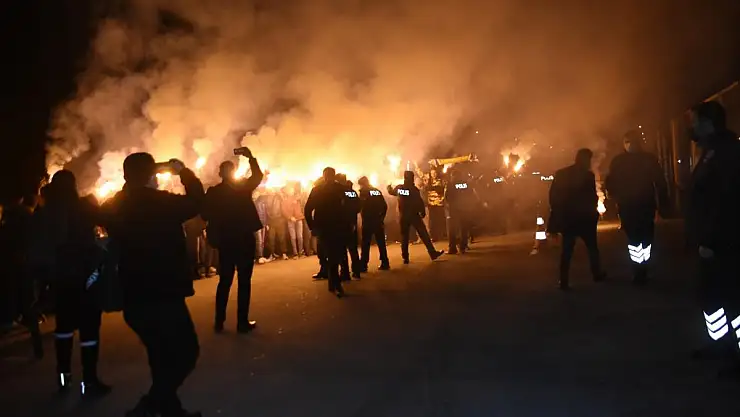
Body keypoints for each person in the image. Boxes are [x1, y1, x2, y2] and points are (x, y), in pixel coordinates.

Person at [101, 154, 203, 417]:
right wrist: (184, 173)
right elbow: (197, 201)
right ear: (149, 176)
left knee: (160, 355)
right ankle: (149, 406)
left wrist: (141, 178)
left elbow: (109, 214)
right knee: (186, 352)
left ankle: (169, 410)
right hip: (163, 292)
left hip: (133, 293)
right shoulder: (161, 203)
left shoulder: (117, 204)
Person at [29, 171, 110, 395]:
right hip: (86, 278)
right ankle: (89, 382)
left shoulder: (44, 212)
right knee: (89, 330)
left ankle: (64, 380)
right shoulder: (82, 207)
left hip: (58, 280)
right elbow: (106, 221)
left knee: (63, 329)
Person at [686, 101, 740, 375]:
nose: (692, 127)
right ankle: (721, 344)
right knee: (712, 297)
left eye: (695, 121)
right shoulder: (710, 150)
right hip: (710, 241)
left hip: (725, 242)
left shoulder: (727, 153)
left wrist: (711, 239)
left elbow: (725, 203)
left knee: (733, 299)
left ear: (707, 123)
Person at [202, 149, 264, 333]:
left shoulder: (214, 192)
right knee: (244, 282)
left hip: (226, 241)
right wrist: (251, 157)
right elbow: (258, 176)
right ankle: (242, 322)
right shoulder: (242, 188)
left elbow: (204, 214)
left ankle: (219, 322)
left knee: (225, 281)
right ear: (233, 172)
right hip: (244, 239)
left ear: (220, 174)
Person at [606, 130, 668, 285]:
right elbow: (611, 182)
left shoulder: (646, 159)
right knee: (635, 238)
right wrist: (614, 198)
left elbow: (659, 181)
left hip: (643, 205)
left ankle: (642, 269)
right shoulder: (620, 161)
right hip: (629, 206)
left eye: (632, 141)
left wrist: (663, 203)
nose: (630, 144)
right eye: (627, 141)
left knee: (645, 237)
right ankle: (639, 270)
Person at [548, 148, 606, 290]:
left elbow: (553, 197)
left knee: (567, 250)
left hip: (569, 218)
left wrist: (557, 216)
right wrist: (593, 213)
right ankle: (596, 273)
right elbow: (591, 197)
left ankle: (564, 280)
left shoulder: (562, 174)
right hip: (585, 219)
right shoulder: (587, 176)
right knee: (592, 248)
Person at [305, 168, 348, 297]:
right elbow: (351, 207)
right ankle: (336, 283)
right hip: (335, 227)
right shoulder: (341, 189)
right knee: (334, 255)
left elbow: (308, 209)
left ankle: (332, 282)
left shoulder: (317, 190)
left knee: (331, 255)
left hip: (325, 227)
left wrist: (312, 226)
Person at [387, 171, 444, 264]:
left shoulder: (399, 188)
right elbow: (419, 201)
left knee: (404, 237)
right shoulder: (414, 189)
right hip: (414, 215)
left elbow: (391, 192)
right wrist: (422, 211)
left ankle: (405, 258)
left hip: (403, 216)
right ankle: (432, 253)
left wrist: (388, 186)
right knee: (424, 234)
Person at [358, 176, 390, 271]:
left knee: (365, 243)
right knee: (381, 242)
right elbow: (384, 206)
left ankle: (363, 264)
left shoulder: (364, 192)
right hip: (377, 220)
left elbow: (360, 206)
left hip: (368, 221)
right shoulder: (376, 191)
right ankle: (385, 262)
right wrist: (381, 217)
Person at [445, 169, 478, 254]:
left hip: (454, 210)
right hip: (465, 209)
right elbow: (471, 194)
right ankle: (463, 247)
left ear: (453, 176)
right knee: (464, 229)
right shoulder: (466, 184)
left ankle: (452, 248)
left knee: (452, 229)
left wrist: (448, 208)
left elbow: (447, 197)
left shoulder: (450, 184)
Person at [336, 174, 362, 280]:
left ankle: (345, 273)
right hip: (352, 223)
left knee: (342, 249)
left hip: (342, 224)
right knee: (353, 249)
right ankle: (356, 271)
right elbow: (359, 207)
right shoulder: (353, 192)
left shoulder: (339, 192)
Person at [282, 185, 306, 258]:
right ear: (287, 191)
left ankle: (301, 252)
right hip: (291, 220)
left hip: (299, 218)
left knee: (300, 236)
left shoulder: (297, 198)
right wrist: (290, 217)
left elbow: (302, 199)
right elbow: (284, 211)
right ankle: (295, 253)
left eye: (292, 190)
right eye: (290, 190)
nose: (292, 191)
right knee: (293, 237)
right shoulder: (285, 200)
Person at [423, 168, 447, 241]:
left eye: (435, 173)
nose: (434, 175)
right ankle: (433, 236)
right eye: (432, 173)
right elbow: (426, 188)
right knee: (432, 221)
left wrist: (432, 188)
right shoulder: (428, 181)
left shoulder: (441, 181)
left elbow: (441, 188)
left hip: (439, 203)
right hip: (431, 204)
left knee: (440, 219)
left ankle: (442, 235)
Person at [266, 189, 288, 260]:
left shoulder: (279, 197)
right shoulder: (267, 199)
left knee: (282, 238)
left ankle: (284, 253)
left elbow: (284, 206)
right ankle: (272, 254)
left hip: (280, 220)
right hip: (271, 222)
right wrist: (267, 222)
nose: (271, 191)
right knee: (271, 239)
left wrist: (280, 194)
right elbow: (266, 210)